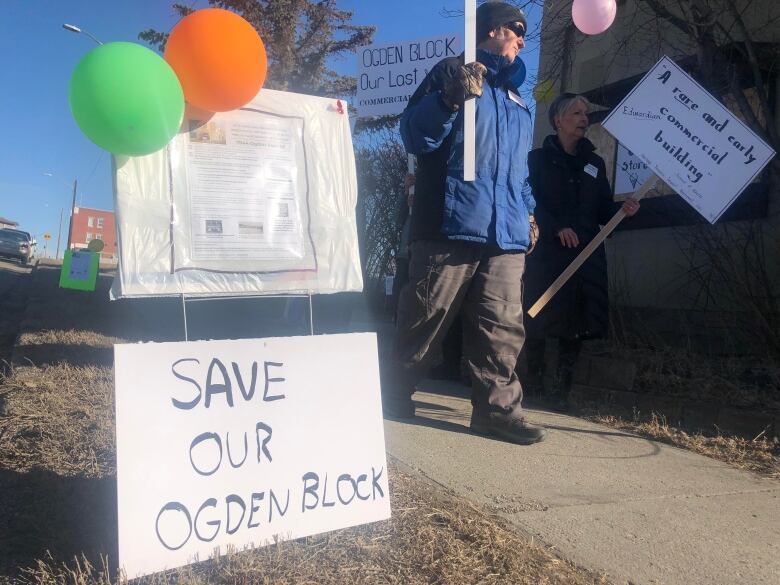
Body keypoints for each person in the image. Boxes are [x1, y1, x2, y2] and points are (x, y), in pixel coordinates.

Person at [381, 1, 545, 445]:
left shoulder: (518, 99)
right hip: (450, 224)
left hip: (505, 233)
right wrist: (450, 98)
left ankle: (497, 412)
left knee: (502, 327)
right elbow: (416, 136)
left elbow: (518, 170)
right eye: (515, 29)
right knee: (425, 317)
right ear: (491, 31)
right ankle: (390, 393)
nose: (521, 38)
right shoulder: (449, 74)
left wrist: (528, 212)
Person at [522, 93, 640, 404]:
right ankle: (530, 384)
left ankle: (560, 391)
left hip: (585, 256)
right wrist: (555, 227)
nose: (583, 119)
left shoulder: (595, 163)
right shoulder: (536, 160)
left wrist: (622, 211)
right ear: (558, 121)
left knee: (577, 322)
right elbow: (528, 202)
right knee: (538, 316)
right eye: (576, 113)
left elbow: (602, 210)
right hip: (548, 254)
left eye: (585, 113)